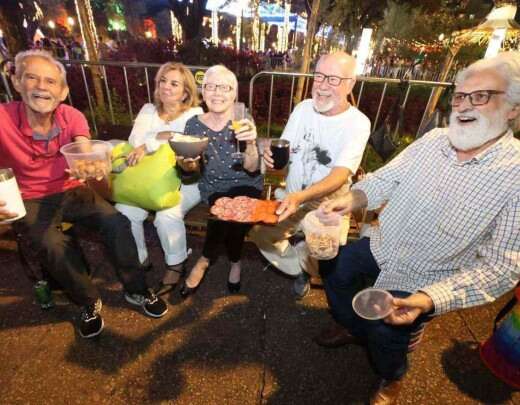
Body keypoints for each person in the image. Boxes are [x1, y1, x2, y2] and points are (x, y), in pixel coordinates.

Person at [314, 51, 520, 405]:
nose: (464, 106)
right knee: (335, 267)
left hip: (426, 276)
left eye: (481, 96)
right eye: (460, 96)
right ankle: (351, 324)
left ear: (513, 108)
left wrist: (429, 299)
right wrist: (353, 198)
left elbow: (502, 266)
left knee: (387, 334)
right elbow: (387, 178)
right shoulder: (435, 140)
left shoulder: (515, 174)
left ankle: (391, 377)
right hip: (382, 244)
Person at [0, 50, 167, 339]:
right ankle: (88, 301)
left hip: (71, 188)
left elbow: (82, 149)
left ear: (62, 92)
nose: (41, 86)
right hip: (29, 197)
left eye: (51, 82)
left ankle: (137, 290)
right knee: (50, 244)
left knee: (117, 222)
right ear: (16, 82)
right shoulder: (3, 119)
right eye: (31, 77)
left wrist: (92, 165)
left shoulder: (71, 116)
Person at [249, 51, 371, 299]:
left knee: (326, 252)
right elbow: (286, 148)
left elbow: (339, 175)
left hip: (327, 207)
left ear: (350, 84)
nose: (323, 85)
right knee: (259, 235)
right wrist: (269, 154)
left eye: (333, 79)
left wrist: (301, 197)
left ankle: (308, 266)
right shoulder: (303, 108)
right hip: (289, 198)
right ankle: (299, 267)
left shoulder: (358, 123)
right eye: (318, 76)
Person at [115, 62, 203, 297]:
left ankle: (176, 264)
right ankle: (140, 260)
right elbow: (134, 141)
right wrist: (156, 140)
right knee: (125, 212)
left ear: (185, 92)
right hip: (146, 178)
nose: (166, 87)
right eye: (163, 81)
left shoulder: (195, 114)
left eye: (174, 83)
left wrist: (150, 142)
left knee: (167, 215)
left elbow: (183, 140)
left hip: (186, 179)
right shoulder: (148, 110)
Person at [179, 65, 262, 297]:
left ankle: (205, 259)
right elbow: (190, 171)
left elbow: (252, 167)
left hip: (246, 184)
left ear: (234, 93)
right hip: (214, 186)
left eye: (224, 87)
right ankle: (235, 262)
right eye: (211, 87)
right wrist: (187, 164)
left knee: (232, 209)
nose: (217, 93)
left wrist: (252, 143)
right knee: (225, 208)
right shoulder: (193, 124)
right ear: (203, 92)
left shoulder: (242, 119)